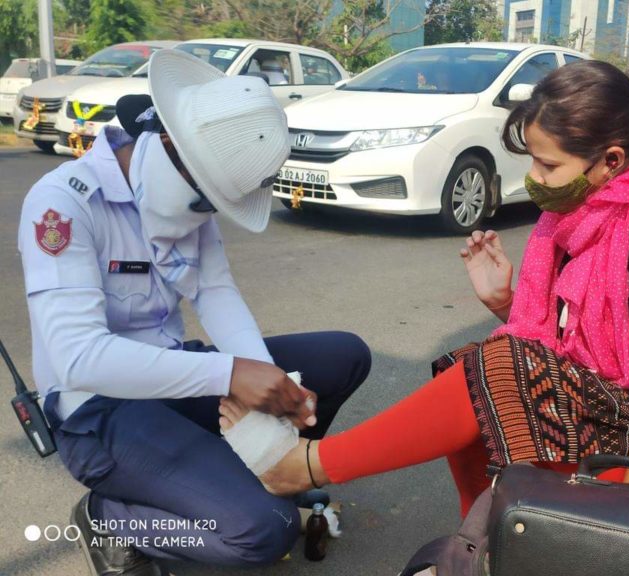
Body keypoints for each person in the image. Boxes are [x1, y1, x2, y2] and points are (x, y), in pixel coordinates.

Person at [221, 60, 629, 518]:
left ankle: (307, 467)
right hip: (615, 410)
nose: (535, 177)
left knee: (497, 372)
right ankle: (487, 537)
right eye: (532, 159)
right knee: (476, 372)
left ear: (611, 161)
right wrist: (506, 304)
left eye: (548, 163)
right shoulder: (583, 216)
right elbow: (575, 343)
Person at [17, 49, 371, 575]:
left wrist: (274, 388)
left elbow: (216, 293)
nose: (208, 216)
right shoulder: (64, 205)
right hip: (99, 412)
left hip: (175, 376)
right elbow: (77, 358)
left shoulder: (185, 184)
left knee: (344, 356)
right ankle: (110, 517)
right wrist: (231, 373)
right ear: (166, 145)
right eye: (206, 202)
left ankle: (263, 475)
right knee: (263, 531)